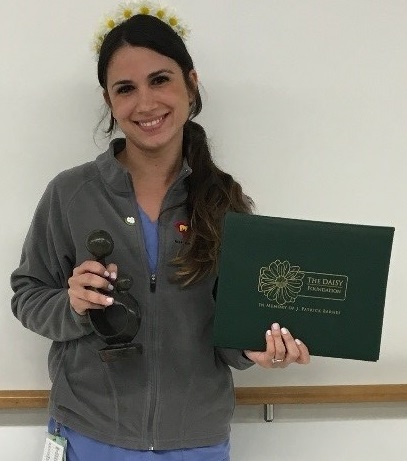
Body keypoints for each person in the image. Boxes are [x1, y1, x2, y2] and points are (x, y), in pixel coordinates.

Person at [10, 2, 310, 460]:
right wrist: (71, 305)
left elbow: (231, 337)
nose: (146, 103)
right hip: (89, 435)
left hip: (197, 442)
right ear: (110, 102)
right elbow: (27, 296)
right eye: (125, 88)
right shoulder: (71, 194)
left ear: (191, 84)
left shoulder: (224, 202)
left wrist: (256, 350)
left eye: (160, 79)